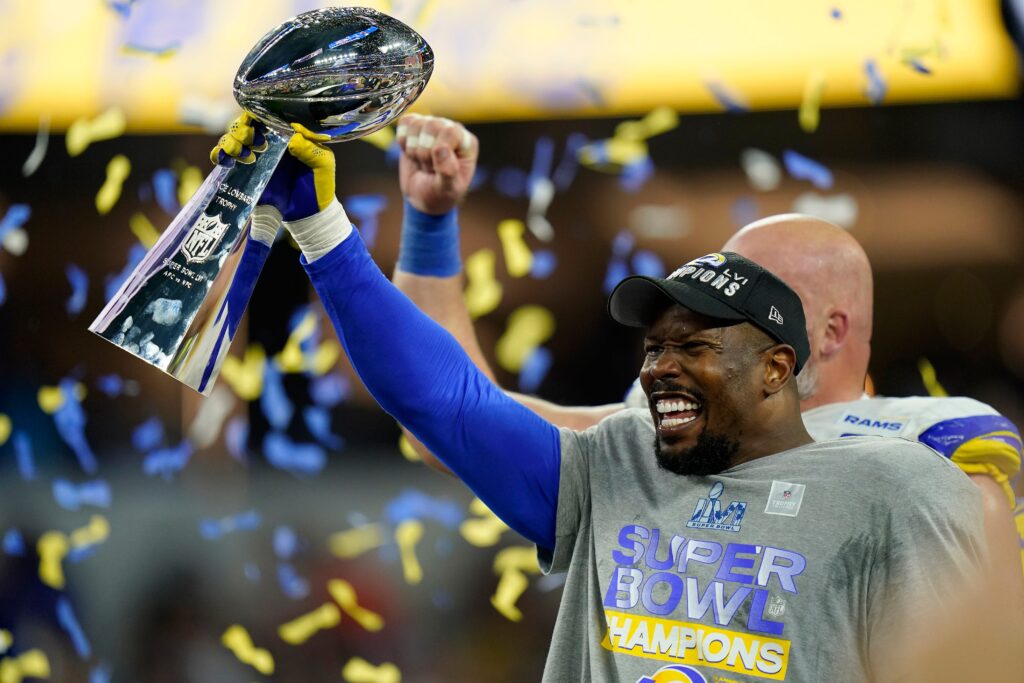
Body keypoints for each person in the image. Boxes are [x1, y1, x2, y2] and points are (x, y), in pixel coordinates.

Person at [214, 116, 994, 681]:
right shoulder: (627, 452)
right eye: (656, 346)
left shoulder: (923, 458)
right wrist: (335, 228)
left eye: (697, 343)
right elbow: (447, 407)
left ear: (786, 355)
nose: (660, 369)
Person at [387, 115, 1024, 584]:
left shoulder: (933, 450)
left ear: (828, 333)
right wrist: (431, 226)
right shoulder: (653, 439)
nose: (719, 322)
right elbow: (448, 420)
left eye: (756, 301)